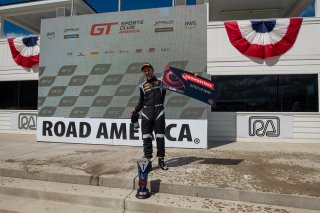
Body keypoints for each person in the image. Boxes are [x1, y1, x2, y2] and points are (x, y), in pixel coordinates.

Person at [130, 63, 168, 170]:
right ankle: (147, 161)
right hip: (147, 112)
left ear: (153, 70)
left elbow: (176, 82)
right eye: (145, 71)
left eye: (149, 69)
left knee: (160, 137)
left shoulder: (161, 82)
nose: (147, 72)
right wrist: (136, 109)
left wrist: (190, 78)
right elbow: (141, 102)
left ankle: (161, 160)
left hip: (159, 111)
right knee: (146, 137)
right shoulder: (142, 86)